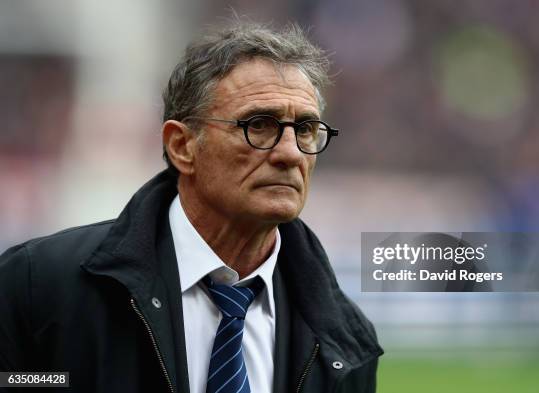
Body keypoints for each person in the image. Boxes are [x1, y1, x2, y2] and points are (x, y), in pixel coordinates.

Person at [0, 22, 383, 393]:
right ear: (182, 146)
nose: (289, 153)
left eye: (305, 130)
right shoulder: (39, 286)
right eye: (260, 125)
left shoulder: (346, 337)